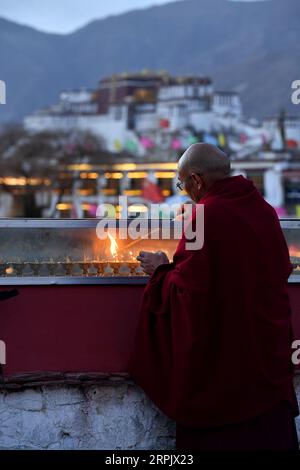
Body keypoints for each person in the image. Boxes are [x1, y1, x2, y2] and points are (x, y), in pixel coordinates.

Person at [128, 143, 299, 450]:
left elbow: (189, 292)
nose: (185, 191)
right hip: (264, 356)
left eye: (182, 185)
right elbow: (276, 272)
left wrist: (159, 271)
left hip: (222, 368)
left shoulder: (204, 216)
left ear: (196, 180)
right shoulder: (264, 211)